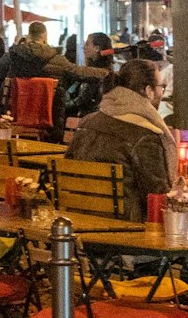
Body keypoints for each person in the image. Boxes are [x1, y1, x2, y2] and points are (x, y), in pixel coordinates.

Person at [67, 59, 178, 221]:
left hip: (78, 220)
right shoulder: (146, 135)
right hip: (126, 228)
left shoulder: (87, 122)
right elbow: (156, 198)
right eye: (161, 87)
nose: (162, 93)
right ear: (148, 91)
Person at [0, 22, 103, 118]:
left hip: (8, 119)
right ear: (44, 37)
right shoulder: (58, 60)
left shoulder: (10, 57)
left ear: (28, 36)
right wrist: (108, 73)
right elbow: (81, 73)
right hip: (47, 122)